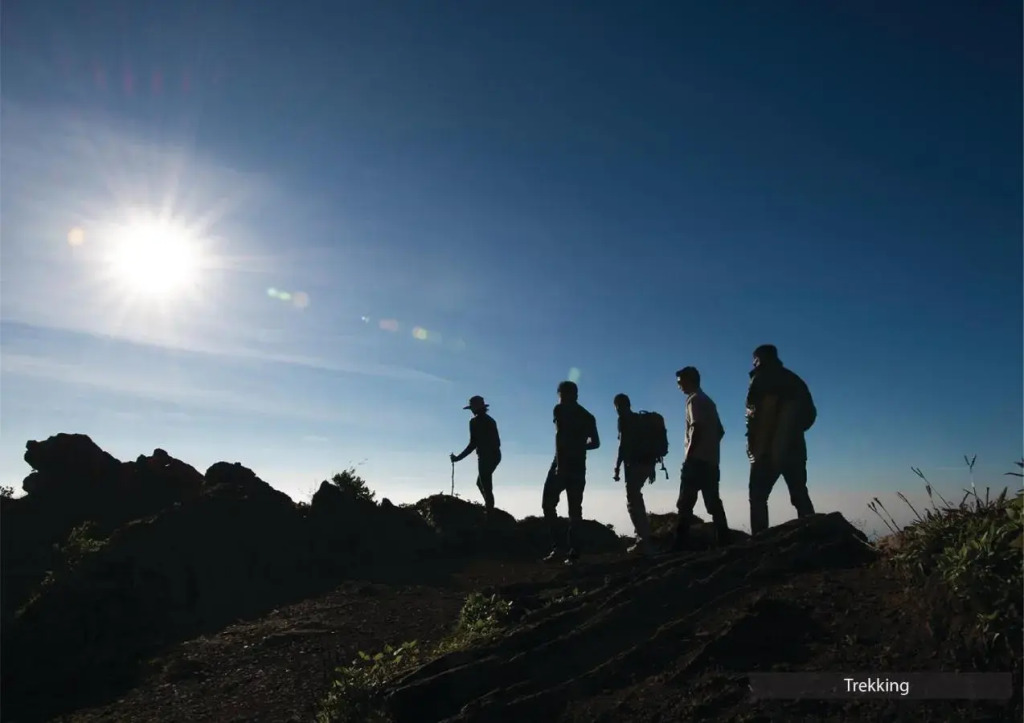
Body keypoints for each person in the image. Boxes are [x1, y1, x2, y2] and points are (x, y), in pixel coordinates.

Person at [745, 344, 816, 534]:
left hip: (765, 449)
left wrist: (753, 444)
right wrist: (792, 431)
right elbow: (810, 415)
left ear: (759, 359)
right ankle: (813, 534)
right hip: (794, 447)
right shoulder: (795, 380)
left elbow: (753, 416)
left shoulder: (760, 379)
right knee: (799, 493)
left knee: (758, 496)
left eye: (754, 360)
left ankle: (760, 540)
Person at [542, 380, 600, 564]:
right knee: (575, 509)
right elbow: (596, 443)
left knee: (548, 504)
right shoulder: (588, 416)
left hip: (562, 463)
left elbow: (559, 436)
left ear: (562, 394)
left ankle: (559, 548)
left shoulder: (560, 409)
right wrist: (580, 446)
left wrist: (560, 465)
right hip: (579, 466)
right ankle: (574, 553)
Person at [673, 366, 731, 550]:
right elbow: (720, 431)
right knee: (713, 502)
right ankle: (724, 539)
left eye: (680, 382)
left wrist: (690, 455)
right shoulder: (708, 401)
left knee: (685, 504)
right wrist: (710, 448)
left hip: (696, 461)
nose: (679, 386)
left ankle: (680, 544)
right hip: (711, 461)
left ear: (689, 380)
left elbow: (696, 428)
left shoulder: (694, 400)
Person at [612, 393, 657, 555]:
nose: (618, 410)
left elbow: (623, 445)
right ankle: (644, 536)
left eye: (618, 407)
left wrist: (617, 467)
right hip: (646, 464)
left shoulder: (623, 420)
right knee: (636, 496)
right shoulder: (640, 420)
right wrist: (652, 468)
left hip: (634, 465)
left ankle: (643, 540)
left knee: (632, 499)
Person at [450, 395, 501, 513]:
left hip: (486, 456)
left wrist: (458, 458)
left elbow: (472, 444)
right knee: (482, 483)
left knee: (485, 485)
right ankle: (489, 508)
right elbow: (496, 442)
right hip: (495, 455)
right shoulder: (490, 420)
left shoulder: (474, 422)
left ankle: (489, 512)